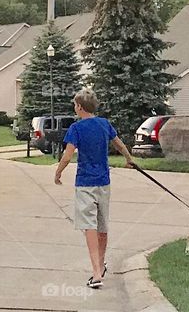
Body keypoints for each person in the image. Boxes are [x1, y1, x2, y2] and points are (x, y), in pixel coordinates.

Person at [54, 88, 135, 290]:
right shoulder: (104, 124)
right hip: (104, 182)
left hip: (85, 183)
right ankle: (100, 264)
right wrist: (129, 159)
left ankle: (97, 272)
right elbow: (119, 144)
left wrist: (58, 172)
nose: (75, 108)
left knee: (89, 226)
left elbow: (68, 154)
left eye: (75, 105)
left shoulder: (76, 128)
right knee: (102, 226)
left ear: (80, 106)